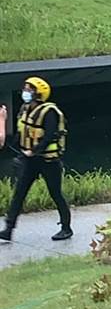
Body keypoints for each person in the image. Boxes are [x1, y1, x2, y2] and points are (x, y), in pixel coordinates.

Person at [0, 76, 72, 243]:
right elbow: (22, 131)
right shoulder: (26, 109)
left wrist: (34, 151)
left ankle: (66, 228)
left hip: (48, 160)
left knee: (55, 193)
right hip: (30, 160)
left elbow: (49, 136)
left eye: (29, 89)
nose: (25, 92)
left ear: (39, 93)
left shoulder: (49, 112)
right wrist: (16, 146)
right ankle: (8, 229)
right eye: (25, 88)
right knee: (19, 193)